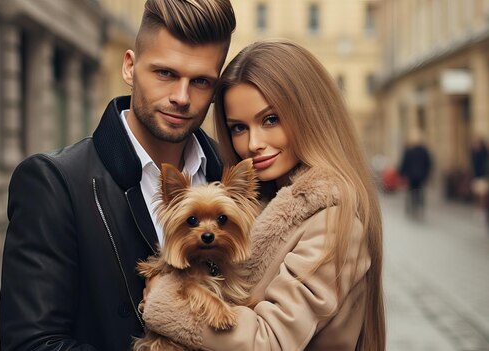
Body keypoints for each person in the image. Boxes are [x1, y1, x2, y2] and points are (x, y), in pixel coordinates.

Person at [0, 1, 236, 350]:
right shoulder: (54, 184)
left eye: (200, 81)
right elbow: (31, 344)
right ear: (130, 67)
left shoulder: (233, 171)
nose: (181, 98)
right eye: (165, 73)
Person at [141, 39, 385, 351]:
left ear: (310, 115)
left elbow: (268, 343)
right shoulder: (261, 202)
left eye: (270, 119)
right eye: (238, 128)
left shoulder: (333, 218)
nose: (254, 143)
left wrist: (166, 302)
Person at [398, 129, 432, 218]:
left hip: (412, 175)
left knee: (412, 191)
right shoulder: (423, 151)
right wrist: (427, 174)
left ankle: (414, 208)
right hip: (419, 175)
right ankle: (417, 207)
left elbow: (404, 163)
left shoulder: (410, 150)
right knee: (419, 191)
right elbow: (428, 163)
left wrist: (401, 173)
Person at [470, 137, 489, 208]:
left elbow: (487, 161)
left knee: (483, 193)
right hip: (476, 176)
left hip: (484, 175)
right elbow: (473, 164)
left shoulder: (484, 152)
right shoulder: (473, 153)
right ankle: (478, 207)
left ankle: (483, 207)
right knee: (477, 193)